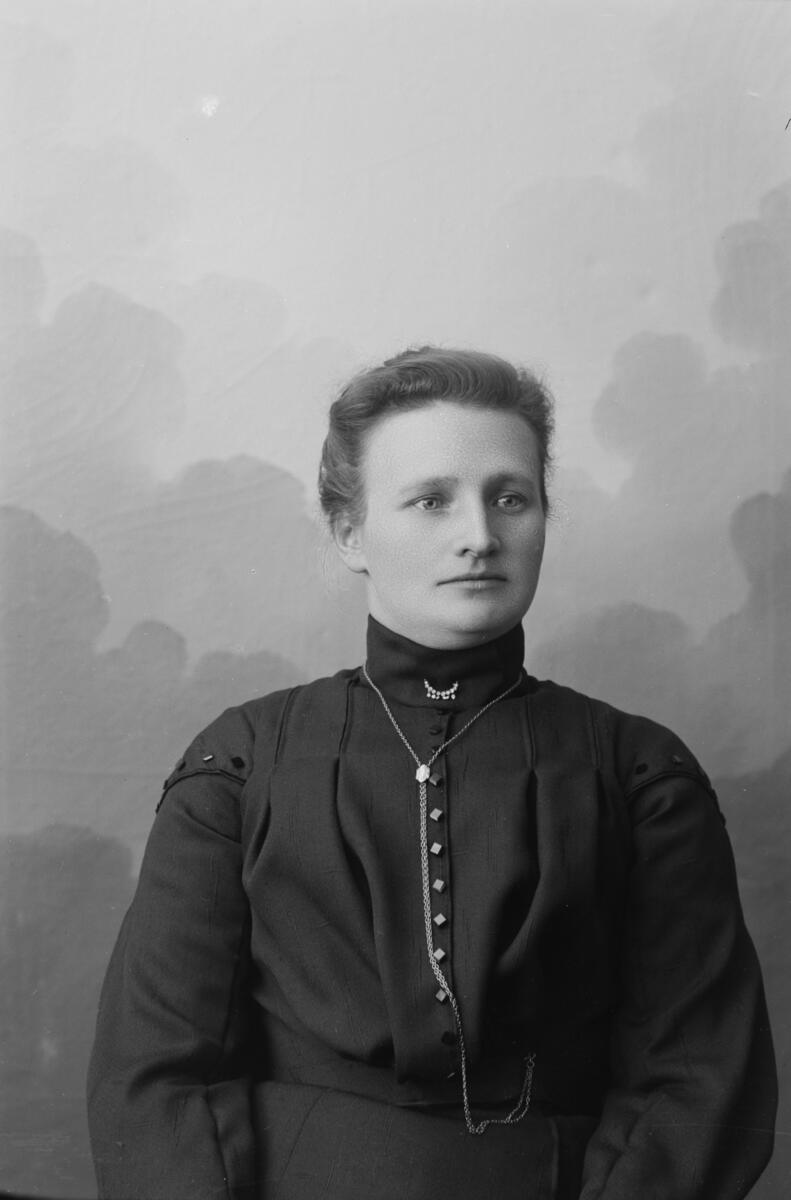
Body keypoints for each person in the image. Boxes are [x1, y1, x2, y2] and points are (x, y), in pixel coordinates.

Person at [87, 347, 777, 1199]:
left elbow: (698, 1078)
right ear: (350, 534)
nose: (479, 537)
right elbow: (154, 1076)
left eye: (510, 498)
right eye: (430, 500)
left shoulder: (639, 776)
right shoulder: (239, 763)